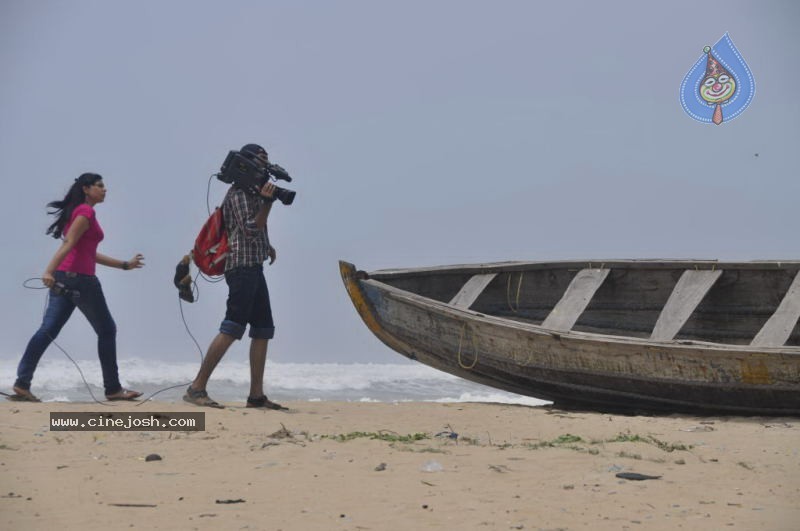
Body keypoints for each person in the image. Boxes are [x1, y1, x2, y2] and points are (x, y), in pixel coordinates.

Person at [10, 173, 145, 402]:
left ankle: (22, 383)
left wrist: (124, 265)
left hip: (65, 277)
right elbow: (69, 244)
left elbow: (87, 252)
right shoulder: (85, 212)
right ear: (86, 188)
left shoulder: (79, 212)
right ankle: (113, 389)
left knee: (48, 330)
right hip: (80, 279)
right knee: (107, 330)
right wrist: (47, 271)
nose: (105, 190)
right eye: (100, 186)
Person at [184, 144, 286, 410]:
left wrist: (268, 246)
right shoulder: (239, 193)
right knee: (232, 327)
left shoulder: (252, 191)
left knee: (263, 330)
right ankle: (196, 387)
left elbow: (254, 232)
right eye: (261, 160)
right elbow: (251, 228)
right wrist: (267, 204)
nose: (266, 165)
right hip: (241, 268)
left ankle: (256, 396)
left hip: (254, 265)